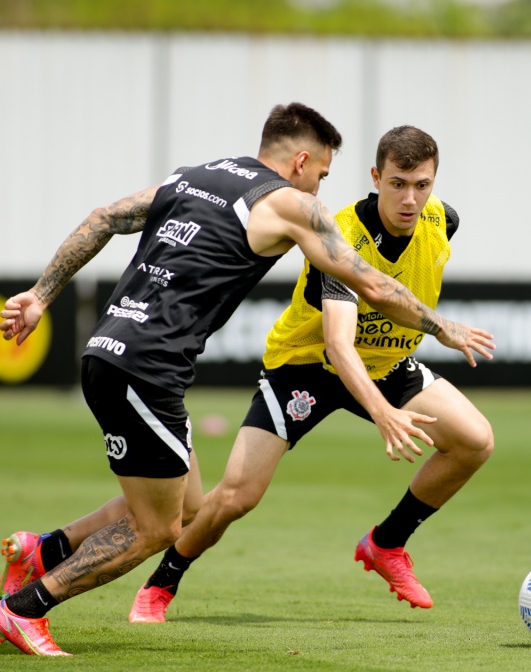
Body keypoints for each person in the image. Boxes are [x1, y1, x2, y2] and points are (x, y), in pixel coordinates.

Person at [0, 106, 495, 656]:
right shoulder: (292, 204)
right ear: (302, 160)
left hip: (118, 354)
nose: (320, 185)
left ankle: (42, 551)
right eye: (322, 173)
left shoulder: (194, 176)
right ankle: (24, 609)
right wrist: (440, 325)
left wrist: (40, 295)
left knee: (186, 507)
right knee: (158, 528)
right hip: (151, 366)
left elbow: (104, 217)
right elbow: (370, 284)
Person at [122, 124, 495, 621]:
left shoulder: (442, 220)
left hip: (385, 364)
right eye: (398, 183)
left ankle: (386, 544)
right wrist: (382, 413)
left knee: (475, 440)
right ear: (376, 177)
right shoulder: (339, 233)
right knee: (237, 496)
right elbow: (339, 346)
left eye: (421, 185)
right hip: (307, 368)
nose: (410, 198)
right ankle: (162, 581)